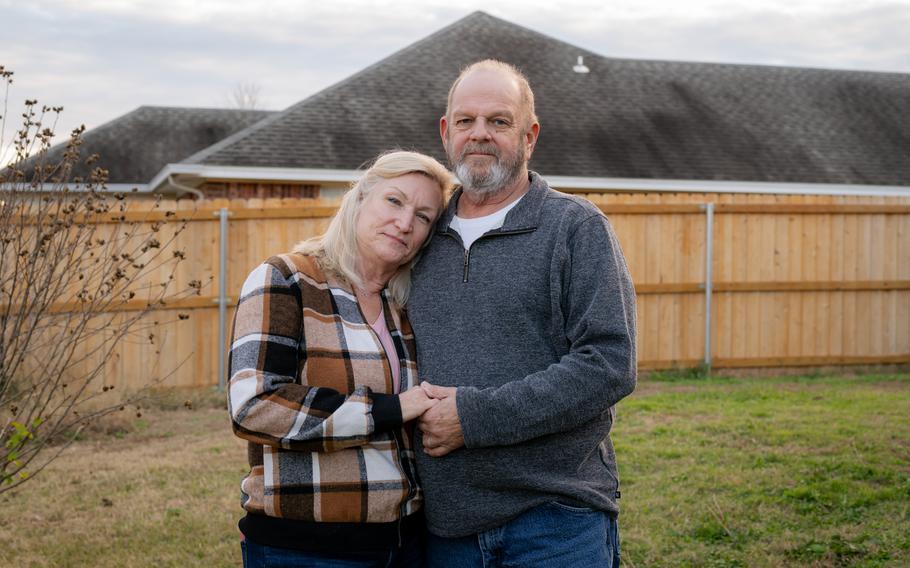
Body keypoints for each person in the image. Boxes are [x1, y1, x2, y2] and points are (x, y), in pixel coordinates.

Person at [409, 60, 637, 567]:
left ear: (529, 136)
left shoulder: (575, 228)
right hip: (445, 528)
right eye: (465, 121)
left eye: (499, 121)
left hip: (554, 521)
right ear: (446, 133)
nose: (480, 135)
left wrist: (474, 417)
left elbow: (609, 363)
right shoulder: (419, 235)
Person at [227, 150, 452, 567]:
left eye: (423, 217)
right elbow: (252, 406)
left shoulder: (405, 306)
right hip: (305, 548)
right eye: (395, 201)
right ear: (361, 197)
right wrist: (388, 409)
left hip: (405, 543)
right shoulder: (288, 279)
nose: (405, 223)